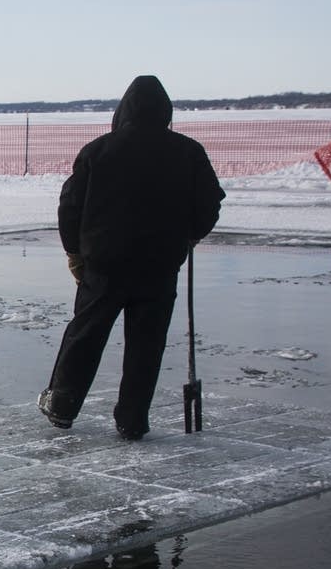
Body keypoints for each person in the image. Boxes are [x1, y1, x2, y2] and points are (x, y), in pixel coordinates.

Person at [40, 75, 224, 439]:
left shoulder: (98, 151)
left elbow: (69, 206)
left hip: (104, 264)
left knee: (86, 334)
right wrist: (189, 236)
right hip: (159, 264)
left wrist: (74, 251)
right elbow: (210, 202)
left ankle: (62, 404)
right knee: (147, 343)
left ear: (123, 110)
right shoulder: (188, 152)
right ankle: (133, 418)